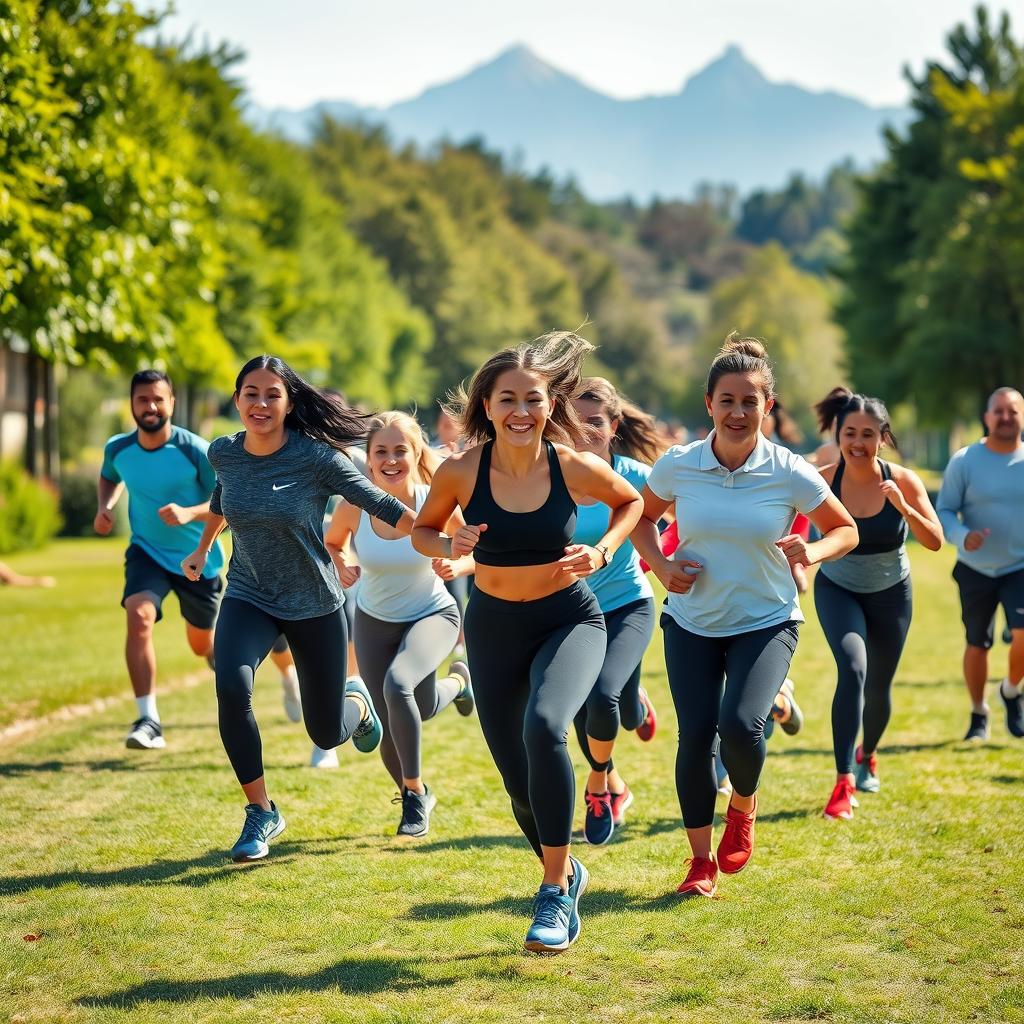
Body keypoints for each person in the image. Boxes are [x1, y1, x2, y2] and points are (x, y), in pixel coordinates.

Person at [412, 331, 643, 953]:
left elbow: (632, 502)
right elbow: (423, 533)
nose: (520, 411)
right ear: (485, 405)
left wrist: (602, 549)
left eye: (533, 399)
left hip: (568, 619)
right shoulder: (461, 471)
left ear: (549, 405)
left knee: (545, 727)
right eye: (507, 398)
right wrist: (448, 545)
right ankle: (567, 874)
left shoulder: (571, 465)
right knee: (518, 779)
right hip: (492, 627)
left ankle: (551, 892)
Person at [632, 335, 857, 899]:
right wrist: (660, 563)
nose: (738, 412)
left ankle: (743, 805)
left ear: (767, 406)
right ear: (708, 403)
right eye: (727, 400)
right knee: (695, 739)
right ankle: (700, 863)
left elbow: (845, 528)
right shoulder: (680, 464)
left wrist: (815, 552)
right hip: (691, 621)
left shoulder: (789, 471)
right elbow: (639, 517)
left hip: (767, 619)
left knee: (740, 726)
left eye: (749, 401)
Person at [181, 356, 416, 862]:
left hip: (314, 604)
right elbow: (223, 501)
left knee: (325, 731)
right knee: (231, 684)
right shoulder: (224, 452)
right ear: (237, 398)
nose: (260, 403)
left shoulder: (316, 458)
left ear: (289, 403)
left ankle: (357, 704)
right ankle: (261, 811)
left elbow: (378, 502)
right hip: (250, 593)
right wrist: (203, 548)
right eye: (250, 393)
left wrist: (432, 530)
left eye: (271, 394)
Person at [324, 411, 475, 837]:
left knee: (397, 687)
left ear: (416, 454)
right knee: (407, 710)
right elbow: (332, 543)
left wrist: (457, 565)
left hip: (433, 614)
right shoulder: (354, 505)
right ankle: (460, 685)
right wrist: (342, 562)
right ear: (369, 461)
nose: (391, 460)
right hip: (374, 620)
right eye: (381, 452)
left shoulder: (435, 501)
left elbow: (475, 551)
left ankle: (413, 795)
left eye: (400, 450)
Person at [813, 387, 943, 819]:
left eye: (868, 434)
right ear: (838, 433)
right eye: (850, 432)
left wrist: (904, 507)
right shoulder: (824, 480)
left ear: (883, 437)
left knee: (879, 685)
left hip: (891, 593)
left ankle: (868, 753)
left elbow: (935, 541)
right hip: (838, 588)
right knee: (853, 669)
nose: (858, 442)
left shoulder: (902, 480)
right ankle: (842, 781)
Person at [96, 370, 224, 750]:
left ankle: (215, 654)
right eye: (142, 400)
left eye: (157, 399)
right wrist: (104, 506)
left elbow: (228, 503)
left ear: (172, 403)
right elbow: (108, 477)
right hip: (146, 551)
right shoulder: (118, 448)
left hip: (198, 557)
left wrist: (189, 513)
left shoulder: (195, 450)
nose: (150, 407)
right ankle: (148, 720)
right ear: (131, 404)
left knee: (201, 645)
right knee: (138, 616)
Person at [568, 377, 660, 845]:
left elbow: (687, 514)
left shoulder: (636, 476)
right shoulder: (552, 477)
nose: (585, 432)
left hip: (628, 604)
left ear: (614, 425)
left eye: (595, 423)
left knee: (610, 703)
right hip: (572, 612)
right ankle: (607, 787)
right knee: (588, 710)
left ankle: (631, 707)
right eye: (576, 422)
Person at [936, 387, 1024, 741]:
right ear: (987, 417)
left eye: (1013, 411)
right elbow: (944, 509)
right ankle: (978, 713)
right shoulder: (965, 460)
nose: (1005, 417)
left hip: (1019, 565)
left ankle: (1011, 689)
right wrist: (961, 535)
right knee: (978, 643)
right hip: (975, 568)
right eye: (998, 411)